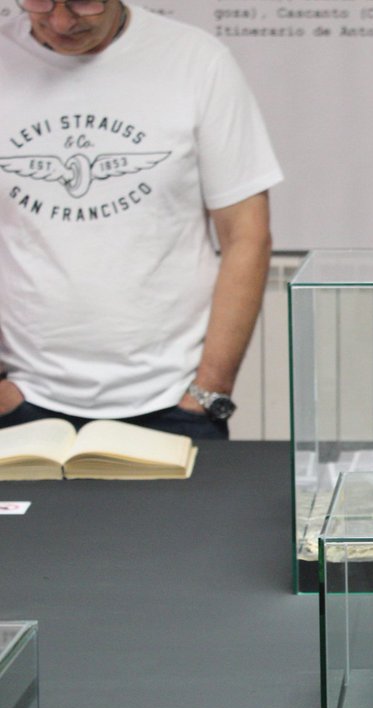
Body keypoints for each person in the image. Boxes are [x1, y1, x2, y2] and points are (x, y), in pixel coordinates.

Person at [0, 0, 283, 440]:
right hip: (20, 399)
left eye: (82, 2)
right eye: (39, 1)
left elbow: (246, 234)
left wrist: (209, 392)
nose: (60, 21)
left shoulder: (195, 61)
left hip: (175, 404)